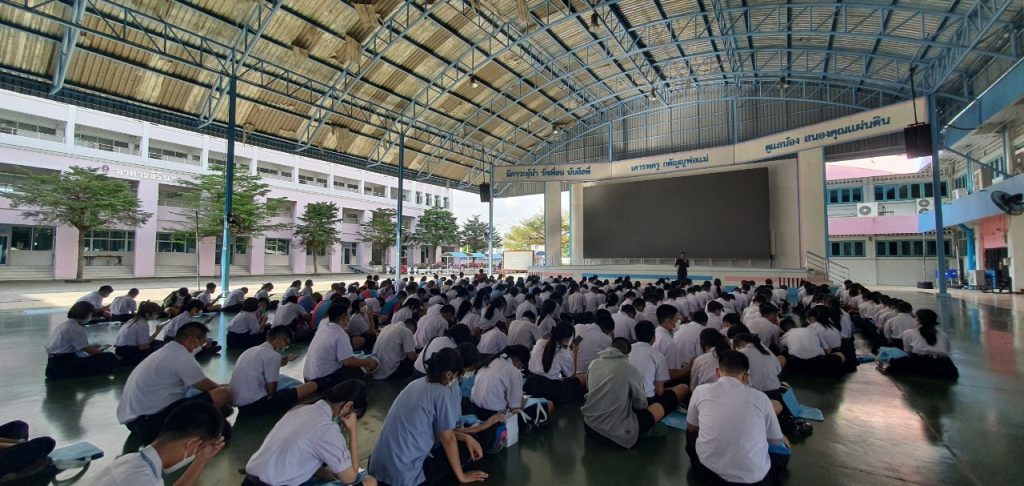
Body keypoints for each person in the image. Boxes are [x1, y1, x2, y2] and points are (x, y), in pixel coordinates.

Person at [369, 348, 488, 486]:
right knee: (463, 450)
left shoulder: (416, 384)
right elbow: (447, 439)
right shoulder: (441, 393)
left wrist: (465, 437)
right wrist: (462, 476)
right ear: (450, 375)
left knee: (460, 442)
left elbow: (441, 431)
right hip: (403, 477)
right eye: (458, 375)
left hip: (377, 469)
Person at [116, 322, 233, 445]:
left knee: (221, 407)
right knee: (223, 395)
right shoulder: (182, 357)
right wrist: (230, 391)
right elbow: (211, 388)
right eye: (202, 343)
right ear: (192, 340)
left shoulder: (168, 351)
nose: (202, 347)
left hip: (134, 421)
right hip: (149, 423)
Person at [244, 380, 374, 486]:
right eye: (353, 416)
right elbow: (351, 478)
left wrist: (321, 471)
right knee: (369, 482)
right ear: (348, 406)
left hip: (249, 481)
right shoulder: (327, 428)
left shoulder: (300, 409)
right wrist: (352, 431)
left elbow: (294, 453)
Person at [686, 350, 788, 485]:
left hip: (708, 474)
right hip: (754, 481)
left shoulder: (700, 391)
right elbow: (774, 440)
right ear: (746, 377)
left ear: (717, 372)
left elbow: (692, 427)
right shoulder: (761, 398)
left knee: (691, 433)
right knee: (784, 444)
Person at [581, 338, 682, 449]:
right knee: (660, 407)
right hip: (614, 434)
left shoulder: (593, 363)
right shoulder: (629, 369)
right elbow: (641, 405)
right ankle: (642, 432)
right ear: (627, 353)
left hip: (589, 426)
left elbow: (589, 389)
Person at [94, 400, 225, 486]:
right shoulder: (144, 481)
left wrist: (201, 459)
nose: (196, 455)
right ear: (191, 444)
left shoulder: (130, 460)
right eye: (200, 449)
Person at [230, 327, 319, 417]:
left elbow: (266, 366)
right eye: (286, 344)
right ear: (280, 340)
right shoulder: (273, 355)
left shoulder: (250, 351)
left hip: (241, 405)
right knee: (312, 385)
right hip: (256, 405)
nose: (285, 347)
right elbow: (272, 391)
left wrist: (285, 359)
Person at [303, 302, 379, 389]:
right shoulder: (339, 333)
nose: (349, 319)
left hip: (308, 379)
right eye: (347, 316)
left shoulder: (323, 329)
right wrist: (369, 362)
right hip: (321, 382)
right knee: (366, 366)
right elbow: (349, 362)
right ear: (343, 317)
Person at [44, 301, 119, 379]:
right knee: (108, 357)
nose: (91, 317)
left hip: (54, 363)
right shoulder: (75, 328)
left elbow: (75, 345)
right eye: (90, 315)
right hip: (64, 365)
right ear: (85, 314)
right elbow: (87, 349)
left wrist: (92, 347)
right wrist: (106, 354)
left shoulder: (66, 325)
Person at [884, 309, 959, 380]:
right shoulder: (943, 334)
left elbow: (908, 351)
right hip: (944, 365)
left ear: (918, 320)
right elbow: (947, 350)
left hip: (920, 363)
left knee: (891, 362)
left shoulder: (909, 332)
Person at [525, 322, 586, 406]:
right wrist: (574, 354)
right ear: (567, 340)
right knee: (583, 377)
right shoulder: (563, 353)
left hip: (530, 384)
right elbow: (571, 375)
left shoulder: (539, 342)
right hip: (548, 391)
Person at [629, 321, 689, 402]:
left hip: (626, 399)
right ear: (654, 337)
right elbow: (659, 391)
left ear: (636, 336)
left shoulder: (626, 350)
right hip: (647, 401)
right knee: (683, 388)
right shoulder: (658, 356)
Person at [779, 318, 845, 376]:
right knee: (840, 354)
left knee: (784, 354)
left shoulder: (785, 336)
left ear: (784, 330)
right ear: (796, 325)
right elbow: (827, 350)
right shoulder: (812, 330)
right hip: (819, 362)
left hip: (797, 365)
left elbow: (781, 349)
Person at [115, 301, 167, 367]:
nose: (157, 316)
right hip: (129, 353)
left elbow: (145, 339)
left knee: (158, 343)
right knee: (164, 347)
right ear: (147, 314)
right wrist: (157, 331)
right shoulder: (142, 323)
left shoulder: (134, 319)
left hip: (120, 350)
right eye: (155, 314)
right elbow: (142, 347)